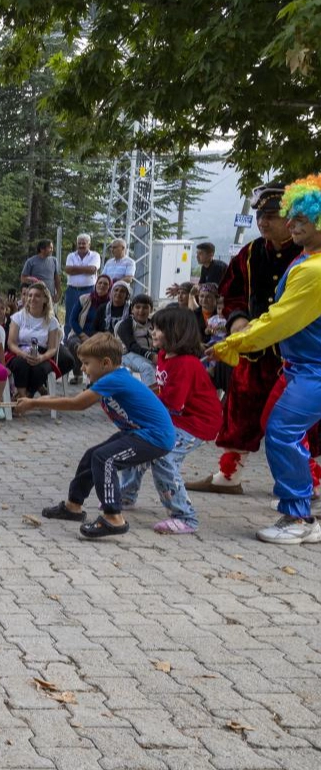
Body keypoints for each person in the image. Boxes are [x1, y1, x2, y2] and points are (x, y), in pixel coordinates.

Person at [211, 174, 321, 543]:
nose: (289, 225)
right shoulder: (300, 257)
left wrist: (235, 344)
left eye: (299, 220)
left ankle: (298, 518)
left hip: (311, 368)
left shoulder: (313, 269)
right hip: (294, 365)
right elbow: (237, 297)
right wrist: (237, 324)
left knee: (283, 431)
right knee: (269, 422)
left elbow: (280, 319)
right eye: (290, 218)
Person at [23, 333, 176, 538]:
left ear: (105, 363)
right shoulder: (109, 378)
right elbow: (74, 399)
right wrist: (35, 401)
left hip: (155, 437)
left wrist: (34, 403)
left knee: (105, 459)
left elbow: (77, 404)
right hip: (137, 432)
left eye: (86, 363)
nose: (83, 368)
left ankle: (113, 517)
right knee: (92, 456)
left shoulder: (114, 379)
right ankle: (73, 506)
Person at [114, 306, 221, 535]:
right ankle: (126, 495)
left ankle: (184, 517)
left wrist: (138, 409)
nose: (153, 332)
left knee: (163, 456)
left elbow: (172, 403)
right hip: (178, 419)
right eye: (153, 328)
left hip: (197, 424)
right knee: (139, 442)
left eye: (159, 329)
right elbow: (162, 390)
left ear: (176, 332)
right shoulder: (164, 356)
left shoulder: (185, 364)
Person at [7, 283, 71, 399]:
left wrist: (41, 357)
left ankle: (25, 396)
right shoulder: (18, 317)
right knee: (20, 364)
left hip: (42, 353)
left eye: (37, 296)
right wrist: (23, 354)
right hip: (19, 351)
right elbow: (11, 343)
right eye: (30, 295)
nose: (32, 299)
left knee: (40, 369)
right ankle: (23, 397)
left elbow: (52, 348)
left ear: (45, 299)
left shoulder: (52, 321)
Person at [65, 274, 112, 383]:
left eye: (105, 284)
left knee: (99, 349)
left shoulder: (110, 304)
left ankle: (93, 378)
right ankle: (78, 374)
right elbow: (72, 320)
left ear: (109, 287)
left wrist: (95, 339)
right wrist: (82, 335)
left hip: (99, 337)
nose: (102, 286)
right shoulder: (84, 299)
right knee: (75, 345)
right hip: (79, 333)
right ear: (95, 285)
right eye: (100, 283)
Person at [117, 294, 158, 387]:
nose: (141, 311)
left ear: (151, 309)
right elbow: (131, 346)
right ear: (132, 309)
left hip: (149, 355)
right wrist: (151, 356)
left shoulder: (153, 323)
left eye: (145, 307)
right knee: (147, 368)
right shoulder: (126, 324)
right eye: (138, 307)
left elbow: (161, 341)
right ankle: (149, 398)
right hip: (128, 355)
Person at [63, 233, 101, 328]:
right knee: (70, 315)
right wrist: (86, 269)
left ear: (89, 244)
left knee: (88, 315)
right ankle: (68, 339)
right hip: (72, 290)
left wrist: (75, 269)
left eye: (83, 243)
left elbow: (92, 270)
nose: (81, 245)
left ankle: (87, 339)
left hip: (89, 290)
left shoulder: (95, 255)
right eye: (79, 243)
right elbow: (68, 270)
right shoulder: (71, 256)